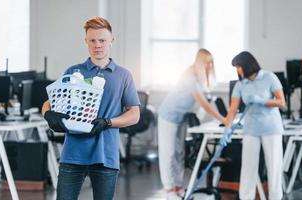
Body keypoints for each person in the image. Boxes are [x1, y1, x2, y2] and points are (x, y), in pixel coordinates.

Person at [42, 16, 140, 200]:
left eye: (102, 40)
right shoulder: (74, 72)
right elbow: (49, 102)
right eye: (92, 40)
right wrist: (48, 114)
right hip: (73, 154)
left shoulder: (123, 75)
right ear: (85, 41)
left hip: (106, 156)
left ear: (111, 41)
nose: (97, 45)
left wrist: (108, 122)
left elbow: (134, 114)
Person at [157, 48, 225, 200]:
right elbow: (204, 104)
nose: (210, 66)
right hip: (168, 116)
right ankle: (169, 189)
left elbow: (205, 100)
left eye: (211, 62)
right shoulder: (190, 77)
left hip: (181, 117)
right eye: (207, 62)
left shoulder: (200, 78)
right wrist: (223, 119)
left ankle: (178, 186)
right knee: (168, 154)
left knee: (180, 153)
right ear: (201, 62)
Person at [224, 51, 285, 200]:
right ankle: (246, 198)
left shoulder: (269, 77)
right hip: (251, 129)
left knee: (274, 167)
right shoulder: (240, 84)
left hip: (271, 128)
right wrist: (226, 129)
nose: (237, 70)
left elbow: (281, 102)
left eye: (238, 66)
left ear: (247, 65)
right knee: (248, 168)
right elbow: (232, 109)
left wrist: (262, 101)